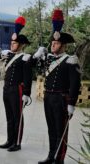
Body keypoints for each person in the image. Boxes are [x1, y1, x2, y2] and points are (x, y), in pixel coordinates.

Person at [33, 9, 81, 164]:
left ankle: (59, 160)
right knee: (51, 129)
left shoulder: (70, 60)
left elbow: (75, 84)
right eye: (52, 43)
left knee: (61, 131)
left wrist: (71, 104)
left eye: (56, 43)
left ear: (63, 45)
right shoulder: (48, 59)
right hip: (49, 97)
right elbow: (33, 67)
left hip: (61, 99)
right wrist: (37, 54)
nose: (53, 45)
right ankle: (51, 156)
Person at [0, 16, 33, 152]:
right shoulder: (10, 56)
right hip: (7, 89)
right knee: (9, 116)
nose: (11, 44)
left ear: (21, 45)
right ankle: (9, 139)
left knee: (17, 116)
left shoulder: (25, 58)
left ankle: (17, 142)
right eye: (11, 42)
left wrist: (26, 93)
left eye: (14, 43)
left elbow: (28, 77)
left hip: (17, 89)